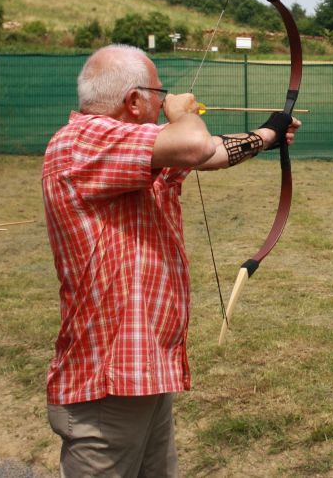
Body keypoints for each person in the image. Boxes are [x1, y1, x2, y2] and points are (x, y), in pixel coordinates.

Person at [41, 44, 301, 477]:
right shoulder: (81, 141)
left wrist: (268, 134)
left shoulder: (133, 149)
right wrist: (183, 113)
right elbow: (194, 142)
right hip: (105, 386)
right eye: (159, 93)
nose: (165, 101)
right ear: (134, 100)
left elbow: (210, 152)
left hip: (143, 372)